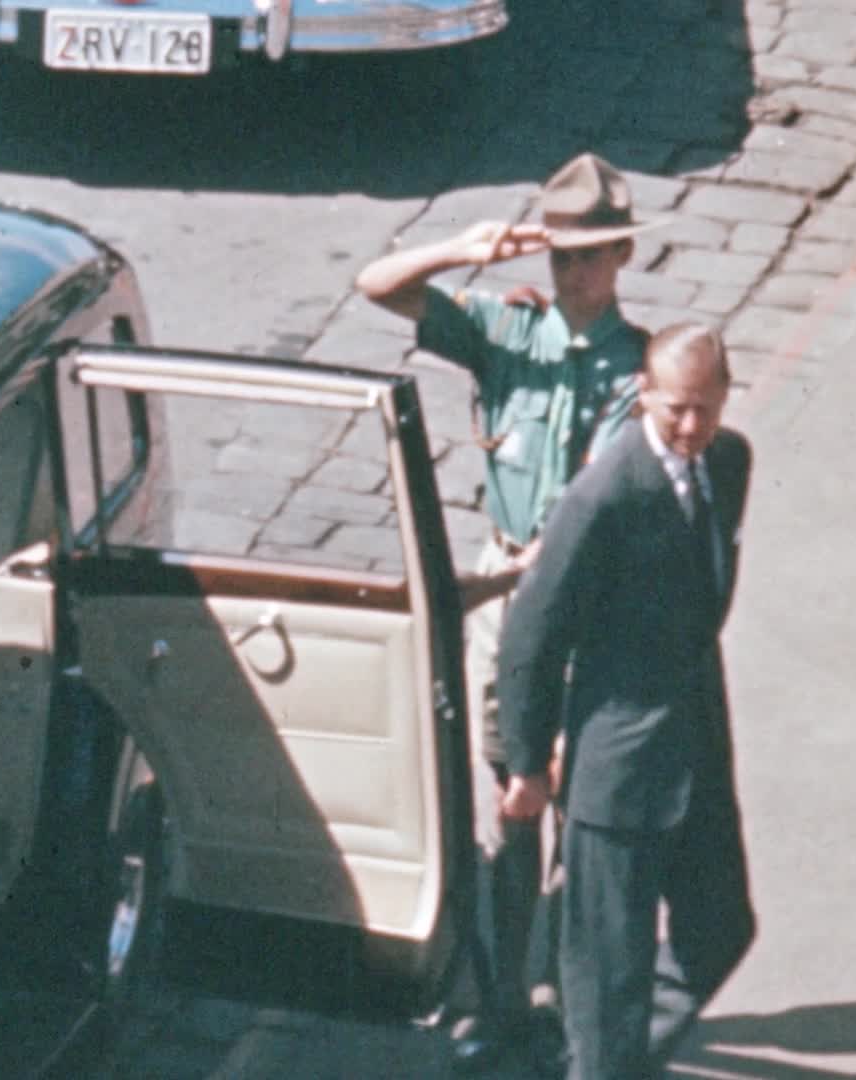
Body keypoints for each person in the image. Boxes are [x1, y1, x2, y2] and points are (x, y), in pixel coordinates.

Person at [354, 151, 663, 1074]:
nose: (575, 273)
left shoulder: (642, 365)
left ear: (624, 257)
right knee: (509, 793)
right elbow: (375, 286)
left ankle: (574, 998)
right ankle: (500, 997)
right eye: (563, 256)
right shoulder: (505, 331)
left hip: (592, 597)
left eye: (593, 256)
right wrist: (464, 247)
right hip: (505, 587)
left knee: (584, 801)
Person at [494, 323, 757, 1080]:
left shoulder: (729, 462)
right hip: (617, 777)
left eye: (707, 407)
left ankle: (613, 1064)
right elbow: (530, 639)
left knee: (721, 929)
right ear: (643, 394)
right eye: (676, 408)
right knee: (608, 982)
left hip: (697, 755)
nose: (691, 426)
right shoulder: (603, 495)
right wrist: (526, 762)